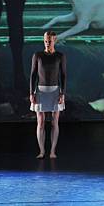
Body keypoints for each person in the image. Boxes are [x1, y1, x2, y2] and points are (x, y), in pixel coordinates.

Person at [30, 31, 67, 159]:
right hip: (40, 90)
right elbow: (33, 75)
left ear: (54, 41)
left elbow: (63, 75)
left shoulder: (60, 56)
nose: (47, 43)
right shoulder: (37, 55)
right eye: (45, 41)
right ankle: (41, 151)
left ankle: (52, 151)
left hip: (55, 90)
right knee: (40, 121)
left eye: (49, 41)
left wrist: (62, 93)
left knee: (54, 122)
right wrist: (31, 93)